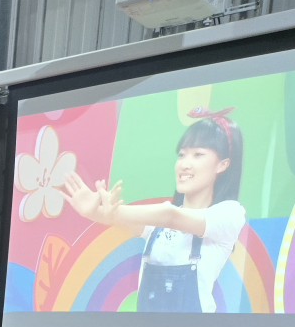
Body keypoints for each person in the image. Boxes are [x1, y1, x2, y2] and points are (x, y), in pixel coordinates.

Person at [62, 106, 246, 313]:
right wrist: (97, 212)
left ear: (222, 165)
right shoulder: (157, 225)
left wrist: (110, 212)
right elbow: (127, 219)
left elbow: (170, 216)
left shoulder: (230, 214)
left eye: (198, 155)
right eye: (182, 155)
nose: (184, 164)